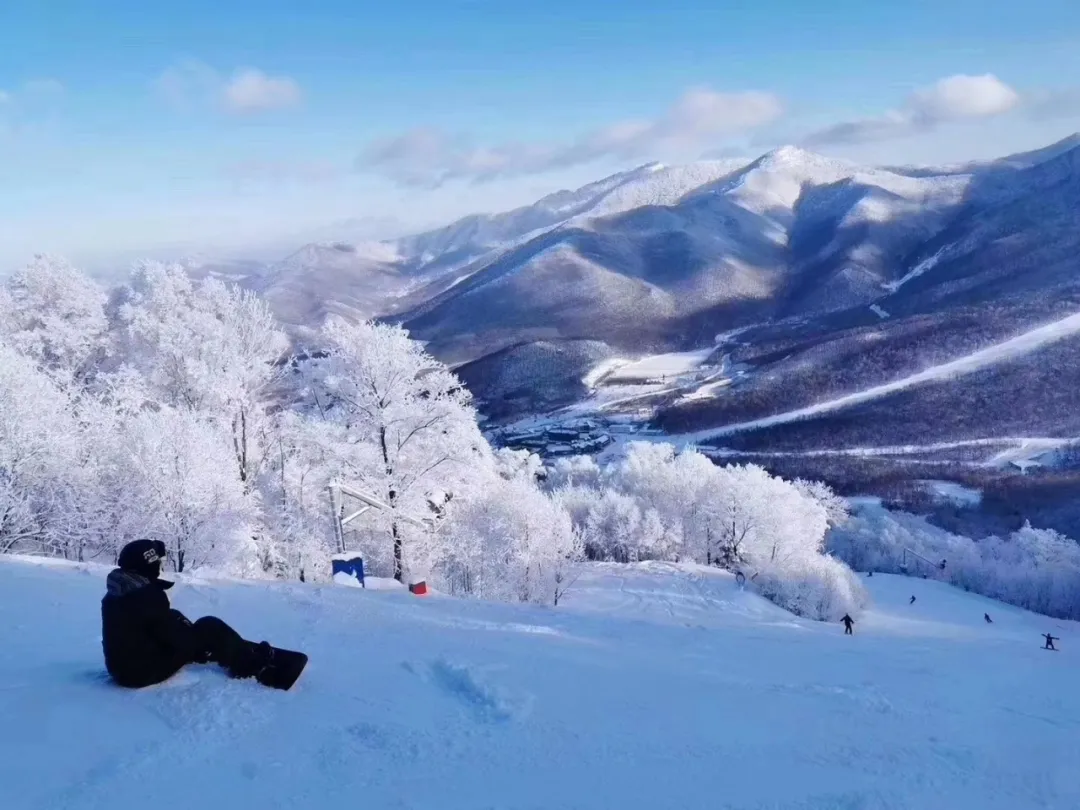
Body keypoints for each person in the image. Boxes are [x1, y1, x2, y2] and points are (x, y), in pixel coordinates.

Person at [101, 539, 277, 688]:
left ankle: (211, 648)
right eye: (157, 563)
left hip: (120, 669)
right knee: (209, 625)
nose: (160, 566)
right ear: (149, 564)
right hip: (141, 674)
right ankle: (249, 665)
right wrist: (195, 641)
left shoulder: (117, 591)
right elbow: (174, 638)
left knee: (174, 615)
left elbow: (149, 625)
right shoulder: (148, 596)